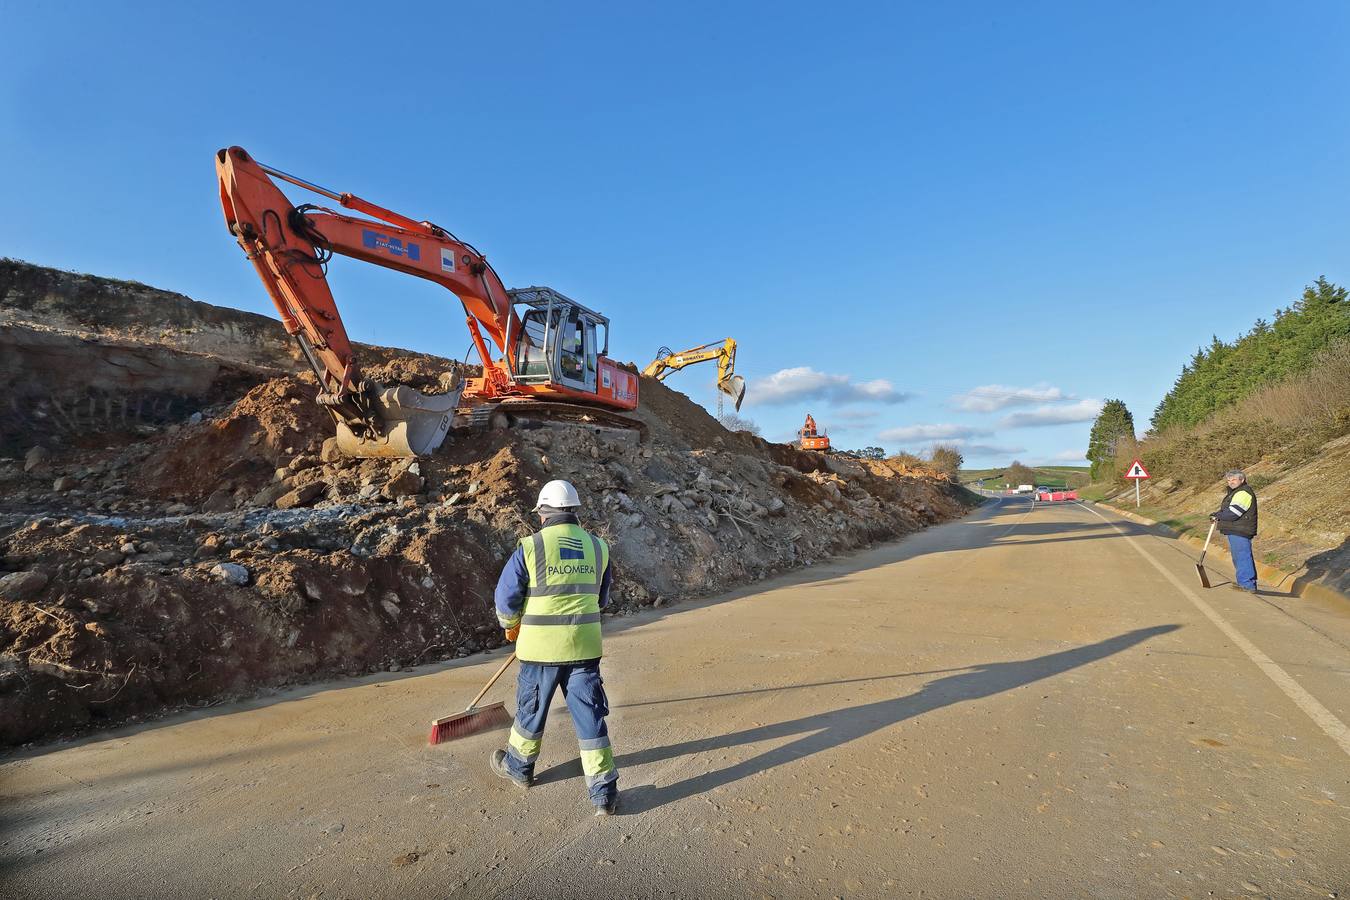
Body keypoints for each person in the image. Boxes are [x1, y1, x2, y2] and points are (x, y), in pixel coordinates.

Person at [491, 479, 619, 816]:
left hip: (541, 651)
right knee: (590, 717)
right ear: (574, 511)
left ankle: (518, 769)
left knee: (531, 710)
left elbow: (506, 598)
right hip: (584, 647)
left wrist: (510, 624)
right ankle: (603, 792)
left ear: (544, 512)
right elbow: (601, 599)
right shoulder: (598, 547)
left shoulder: (531, 547)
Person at [1211, 469, 1259, 594]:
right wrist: (1218, 514)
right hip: (1236, 528)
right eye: (1228, 480)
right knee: (1239, 556)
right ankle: (1245, 582)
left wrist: (1218, 515)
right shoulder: (1236, 492)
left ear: (1242, 480)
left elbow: (1234, 513)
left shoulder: (1243, 492)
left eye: (1233, 479)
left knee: (1242, 556)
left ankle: (1247, 584)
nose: (1231, 482)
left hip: (1240, 528)